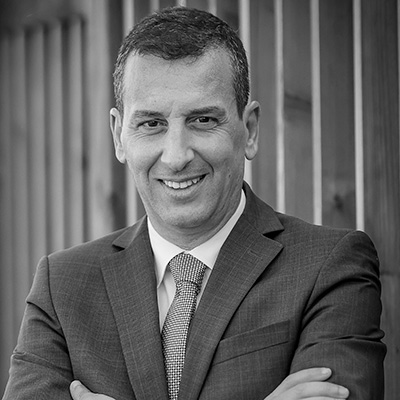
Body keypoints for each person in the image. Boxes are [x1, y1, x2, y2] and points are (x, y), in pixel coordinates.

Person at [3, 6, 385, 400]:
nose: (176, 156)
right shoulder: (62, 286)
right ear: (119, 136)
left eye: (202, 120)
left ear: (250, 129)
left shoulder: (330, 267)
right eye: (151, 123)